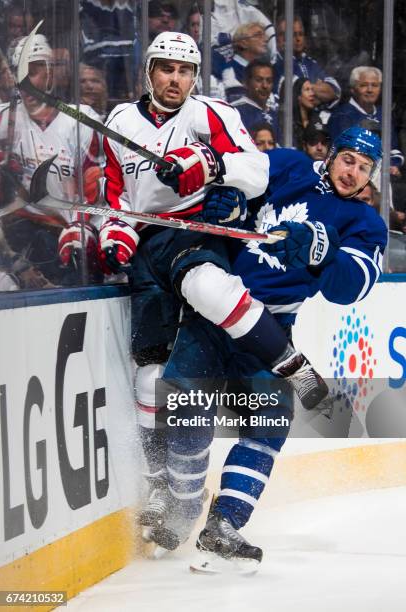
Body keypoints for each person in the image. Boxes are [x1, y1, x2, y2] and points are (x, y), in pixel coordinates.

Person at [99, 30, 328, 552]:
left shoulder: (211, 115)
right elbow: (114, 194)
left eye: (183, 71)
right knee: (151, 370)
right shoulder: (119, 122)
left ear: (195, 75)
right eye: (165, 69)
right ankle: (161, 489)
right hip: (146, 244)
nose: (174, 79)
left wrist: (211, 165)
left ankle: (291, 362)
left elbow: (256, 169)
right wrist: (114, 235)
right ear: (149, 72)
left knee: (210, 287)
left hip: (195, 230)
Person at [188, 127, 387, 572]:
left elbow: (351, 288)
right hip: (213, 305)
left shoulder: (365, 223)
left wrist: (324, 254)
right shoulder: (291, 166)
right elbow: (244, 184)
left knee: (270, 423)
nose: (353, 173)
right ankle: (176, 506)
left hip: (271, 325)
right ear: (332, 155)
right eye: (348, 160)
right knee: (185, 409)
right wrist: (232, 206)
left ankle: (224, 524)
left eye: (364, 167)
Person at [0, 32, 102, 285]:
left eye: (33, 71)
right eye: (18, 73)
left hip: (73, 234)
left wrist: (79, 230)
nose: (24, 81)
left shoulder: (81, 121)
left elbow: (93, 187)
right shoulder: (3, 121)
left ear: (50, 74)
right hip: (23, 235)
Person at [329, 66, 404, 173]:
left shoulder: (384, 115)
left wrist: (392, 165)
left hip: (382, 176)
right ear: (353, 89)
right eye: (363, 85)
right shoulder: (342, 115)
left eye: (374, 85)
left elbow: (394, 150)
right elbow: (343, 152)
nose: (370, 90)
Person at [274, 15, 341, 110]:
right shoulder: (277, 64)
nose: (298, 39)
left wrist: (306, 89)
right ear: (281, 38)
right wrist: (318, 87)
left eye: (300, 34)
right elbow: (296, 94)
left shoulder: (310, 62)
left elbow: (335, 90)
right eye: (293, 35)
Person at [231, 59, 278, 132]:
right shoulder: (236, 112)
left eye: (269, 81)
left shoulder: (274, 114)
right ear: (246, 83)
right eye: (259, 80)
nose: (265, 86)